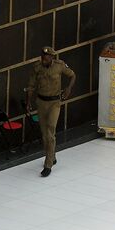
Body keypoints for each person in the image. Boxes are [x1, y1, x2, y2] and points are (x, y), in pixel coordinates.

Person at [25, 47, 76, 178]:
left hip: (54, 103)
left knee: (50, 132)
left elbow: (72, 75)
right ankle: (52, 156)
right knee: (44, 134)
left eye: (47, 56)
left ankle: (48, 164)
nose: (44, 58)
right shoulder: (37, 68)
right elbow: (31, 86)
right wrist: (28, 102)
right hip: (41, 102)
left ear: (52, 57)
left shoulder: (59, 66)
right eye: (43, 55)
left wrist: (68, 89)